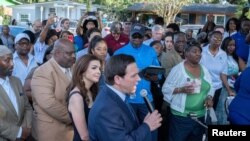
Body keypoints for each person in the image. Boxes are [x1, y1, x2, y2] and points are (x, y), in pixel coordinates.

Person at [88, 54, 162, 141]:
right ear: (117, 79)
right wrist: (147, 126)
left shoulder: (116, 94)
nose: (139, 79)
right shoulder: (106, 110)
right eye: (133, 76)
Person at [114, 23, 160, 141]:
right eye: (134, 36)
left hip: (146, 98)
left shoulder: (150, 51)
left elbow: (158, 71)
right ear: (129, 35)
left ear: (144, 36)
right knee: (130, 131)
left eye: (140, 36)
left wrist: (156, 77)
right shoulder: (120, 53)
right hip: (127, 100)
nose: (137, 39)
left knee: (152, 129)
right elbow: (114, 77)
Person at [162, 41, 214, 141]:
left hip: (200, 116)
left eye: (199, 52)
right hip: (181, 117)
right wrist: (181, 89)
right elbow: (165, 89)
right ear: (186, 53)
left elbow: (211, 86)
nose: (198, 54)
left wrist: (209, 97)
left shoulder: (204, 69)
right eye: (195, 51)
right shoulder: (178, 69)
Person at [31, 38, 75, 141]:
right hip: (51, 132)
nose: (73, 56)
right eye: (69, 53)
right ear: (57, 53)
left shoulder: (73, 67)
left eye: (74, 53)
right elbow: (49, 103)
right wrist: (76, 117)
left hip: (71, 131)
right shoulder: (42, 72)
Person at [0, 46, 33, 141]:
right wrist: (18, 132)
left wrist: (26, 127)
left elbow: (27, 107)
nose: (12, 64)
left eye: (12, 60)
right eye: (7, 60)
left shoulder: (16, 81)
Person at [66, 54, 101, 141]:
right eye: (94, 68)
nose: (99, 71)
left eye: (99, 68)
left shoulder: (93, 91)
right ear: (82, 70)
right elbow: (84, 136)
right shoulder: (76, 97)